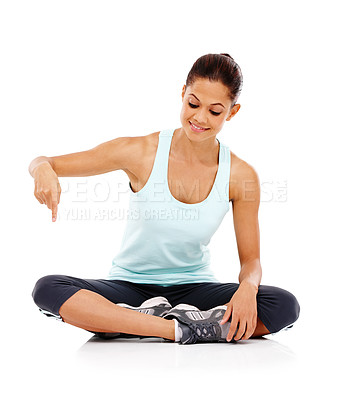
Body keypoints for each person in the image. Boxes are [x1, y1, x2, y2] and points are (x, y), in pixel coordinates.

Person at [29, 53, 300, 345]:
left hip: (196, 290)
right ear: (183, 94)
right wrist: (42, 169)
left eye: (215, 111)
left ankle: (126, 322)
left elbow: (252, 260)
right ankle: (176, 329)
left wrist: (247, 287)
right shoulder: (141, 152)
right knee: (48, 288)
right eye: (193, 104)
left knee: (283, 304)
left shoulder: (240, 175)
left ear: (232, 112)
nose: (199, 118)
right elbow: (45, 162)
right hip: (129, 286)